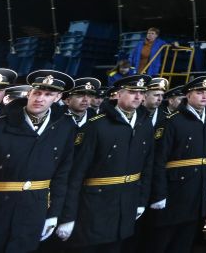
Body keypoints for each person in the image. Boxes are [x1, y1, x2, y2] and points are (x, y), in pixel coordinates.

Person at [0, 69, 76, 253]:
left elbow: (62, 175)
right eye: (37, 92)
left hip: (33, 211)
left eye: (48, 95)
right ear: (29, 93)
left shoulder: (65, 128)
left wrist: (54, 214)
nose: (40, 99)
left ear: (58, 97)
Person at [55, 73, 155, 251]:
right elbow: (76, 174)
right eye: (132, 92)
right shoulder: (95, 125)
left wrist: (141, 201)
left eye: (141, 92)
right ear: (118, 94)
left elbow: (147, 166)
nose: (138, 97)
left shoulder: (144, 124)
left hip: (126, 206)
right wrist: (68, 216)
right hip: (94, 207)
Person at [149, 75, 206, 253]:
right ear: (188, 95)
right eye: (199, 92)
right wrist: (159, 194)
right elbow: (158, 160)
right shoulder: (171, 121)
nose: (204, 96)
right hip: (174, 190)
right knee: (161, 241)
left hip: (199, 189)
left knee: (185, 240)